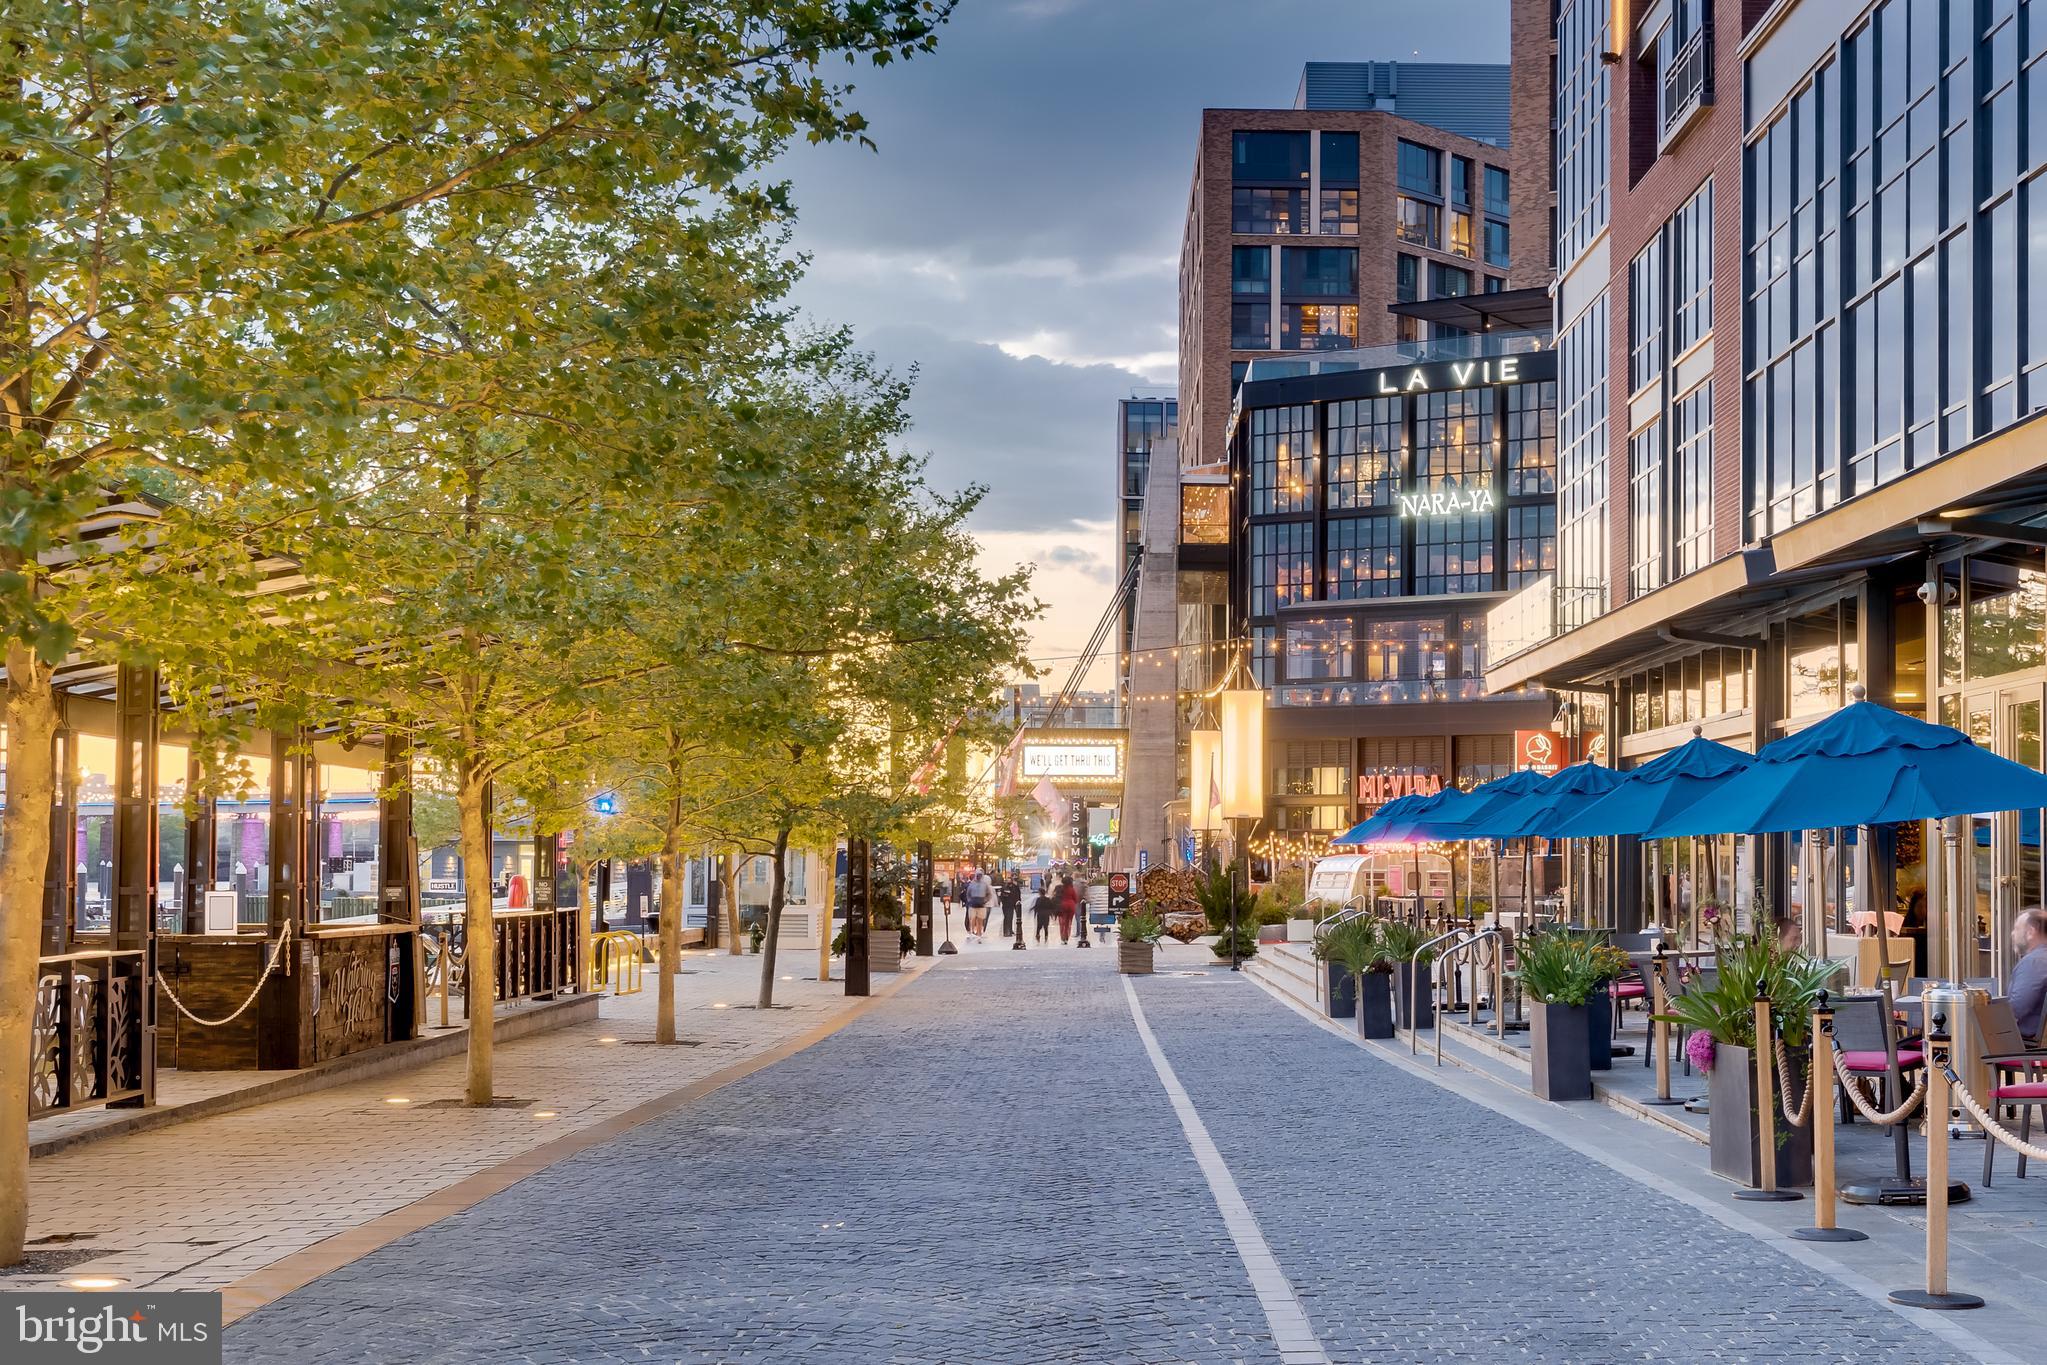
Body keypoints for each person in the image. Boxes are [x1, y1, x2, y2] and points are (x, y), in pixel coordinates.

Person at [2011, 906, 2047, 1042]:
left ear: (2030, 932)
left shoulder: (2033, 963)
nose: (2013, 933)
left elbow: (2015, 1011)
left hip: (2026, 1049)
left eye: (2017, 928)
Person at [1056, 874, 1079, 944]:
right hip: (1071, 906)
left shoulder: (1060, 889)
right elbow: (1076, 899)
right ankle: (1066, 937)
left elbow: (1057, 897)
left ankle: (1063, 938)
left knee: (1062, 922)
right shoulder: (1072, 889)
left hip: (1062, 906)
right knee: (1068, 922)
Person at [1000, 873, 1022, 939]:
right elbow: (1003, 896)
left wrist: (1017, 901)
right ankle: (1006, 931)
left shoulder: (1013, 887)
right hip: (1006, 905)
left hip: (1011, 904)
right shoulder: (1005, 887)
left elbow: (1017, 893)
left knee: (1010, 918)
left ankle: (1009, 930)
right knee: (1007, 918)